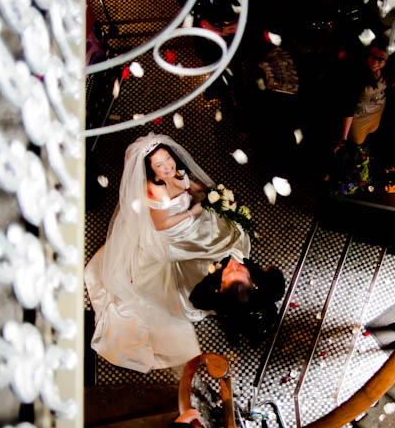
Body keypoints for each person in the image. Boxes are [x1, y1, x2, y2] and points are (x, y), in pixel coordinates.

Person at [85, 133, 250, 373]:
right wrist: (192, 213)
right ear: (151, 170)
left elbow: (193, 186)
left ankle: (221, 275)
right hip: (170, 235)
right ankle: (208, 280)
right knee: (197, 257)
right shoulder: (155, 190)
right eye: (159, 165)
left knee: (221, 234)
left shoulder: (178, 173)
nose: (168, 166)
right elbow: (160, 225)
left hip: (190, 221)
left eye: (168, 158)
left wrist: (213, 194)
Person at [189, 256, 285, 344]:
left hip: (248, 317)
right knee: (236, 328)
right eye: (230, 270)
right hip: (237, 317)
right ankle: (242, 337)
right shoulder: (263, 288)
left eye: (238, 269)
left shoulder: (217, 300)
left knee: (247, 330)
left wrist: (216, 274)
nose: (234, 263)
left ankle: (250, 337)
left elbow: (195, 299)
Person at [337, 44, 392, 149]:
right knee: (358, 139)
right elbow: (349, 105)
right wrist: (344, 137)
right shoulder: (357, 73)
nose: (375, 62)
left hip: (376, 112)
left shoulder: (387, 72)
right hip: (360, 115)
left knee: (373, 130)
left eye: (381, 59)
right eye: (373, 56)